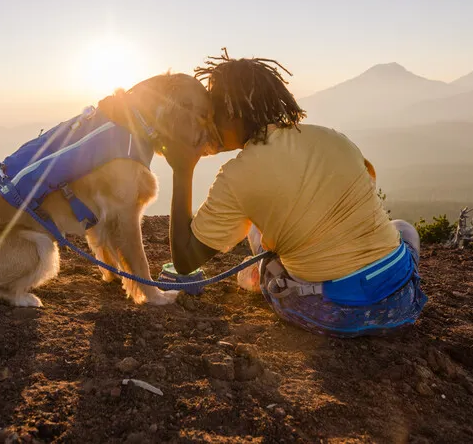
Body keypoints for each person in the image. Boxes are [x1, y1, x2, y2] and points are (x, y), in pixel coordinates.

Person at [159, 49, 427, 337]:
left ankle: (257, 273)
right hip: (401, 301)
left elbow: (185, 261)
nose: (207, 124)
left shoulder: (236, 176)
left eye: (212, 114)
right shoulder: (333, 138)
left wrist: (182, 169)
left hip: (333, 314)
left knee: (259, 236)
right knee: (402, 227)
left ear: (233, 112)